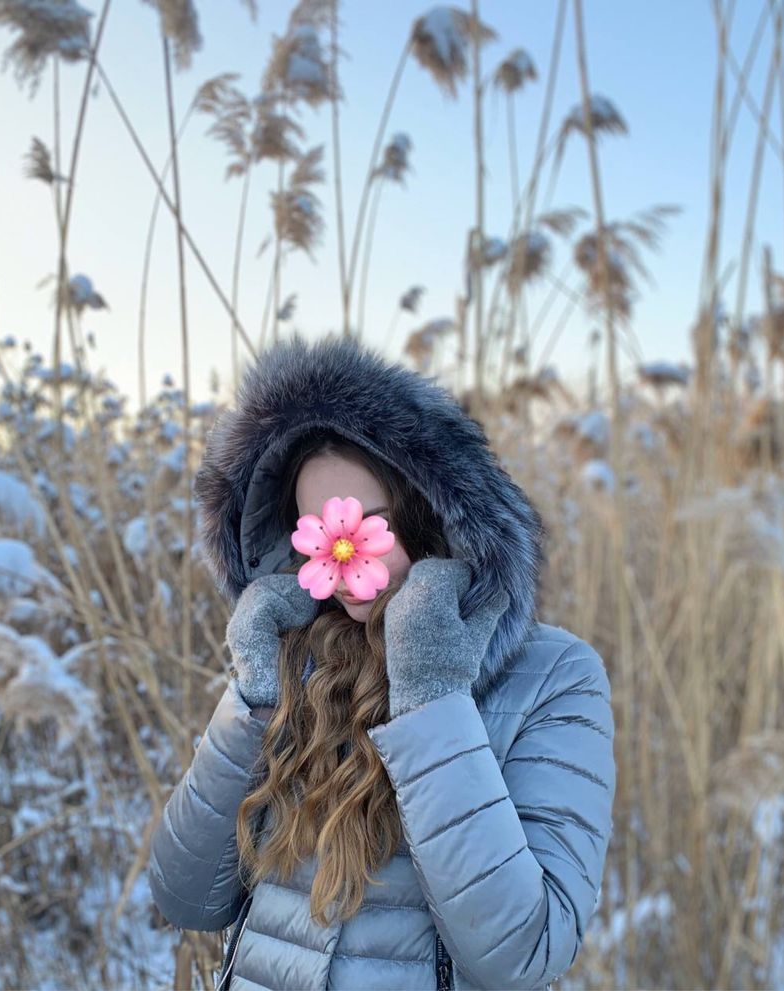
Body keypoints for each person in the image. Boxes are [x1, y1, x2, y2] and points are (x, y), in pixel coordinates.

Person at [148, 333, 616, 991]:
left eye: (365, 528)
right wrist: (252, 700)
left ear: (430, 518)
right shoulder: (293, 658)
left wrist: (433, 699)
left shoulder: (553, 674)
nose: (340, 559)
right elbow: (186, 897)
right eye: (317, 535)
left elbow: (522, 955)